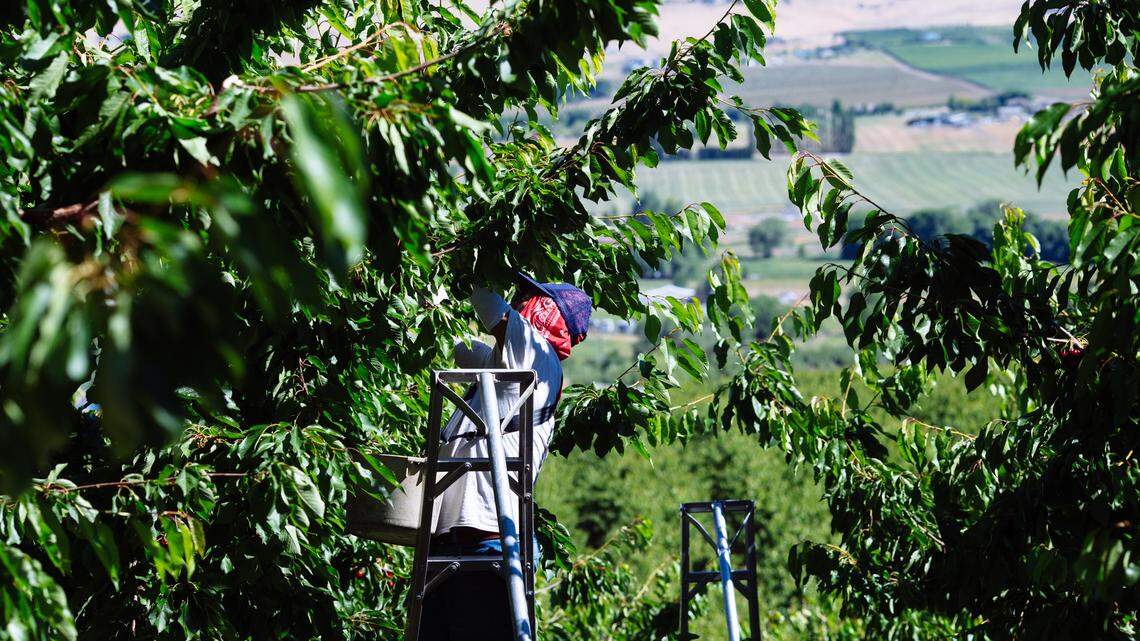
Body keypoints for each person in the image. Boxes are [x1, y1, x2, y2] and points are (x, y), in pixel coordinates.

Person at [419, 273, 592, 641]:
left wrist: (471, 255)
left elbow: (485, 299)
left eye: (526, 299)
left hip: (484, 542)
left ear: (543, 311)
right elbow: (462, 348)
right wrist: (427, 299)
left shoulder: (536, 352)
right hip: (461, 540)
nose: (518, 304)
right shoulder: (515, 367)